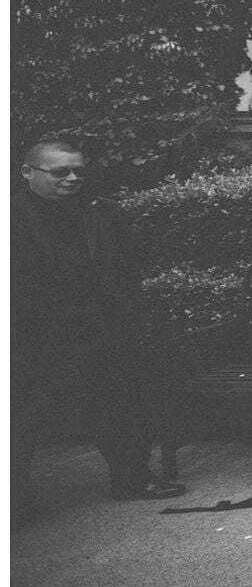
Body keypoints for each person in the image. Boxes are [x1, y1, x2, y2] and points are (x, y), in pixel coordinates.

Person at [13, 135, 186, 511]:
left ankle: (133, 480)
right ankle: (13, 500)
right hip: (33, 335)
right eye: (61, 172)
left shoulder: (97, 214)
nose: (72, 178)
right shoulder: (11, 218)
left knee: (120, 407)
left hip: (99, 330)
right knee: (19, 420)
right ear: (28, 172)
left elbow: (125, 266)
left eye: (78, 171)